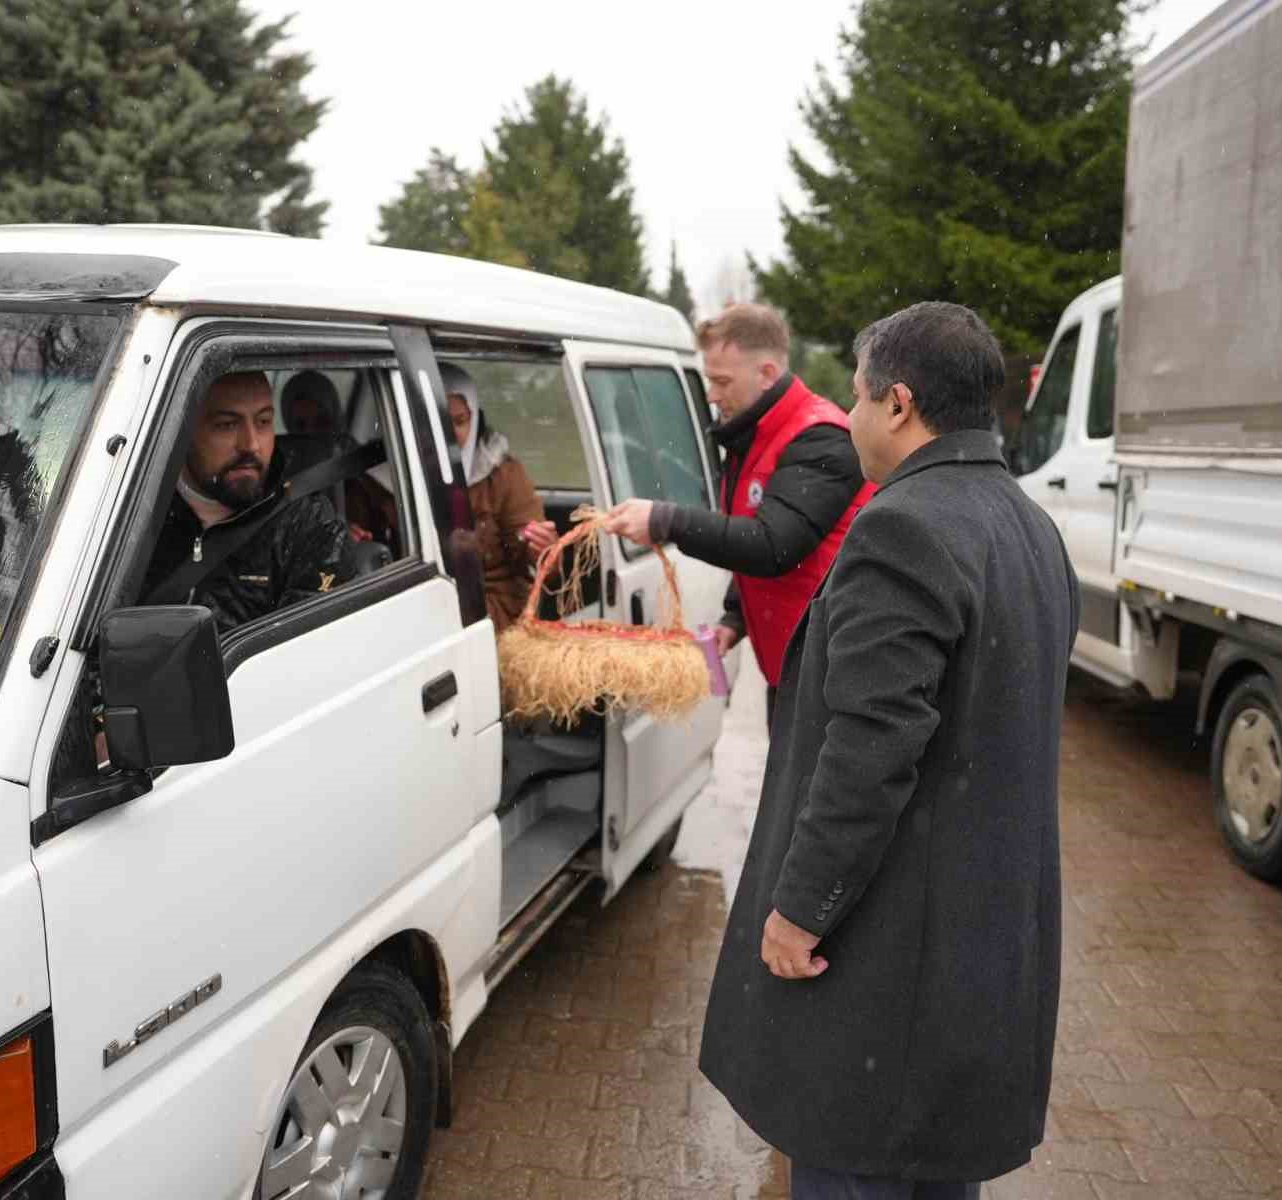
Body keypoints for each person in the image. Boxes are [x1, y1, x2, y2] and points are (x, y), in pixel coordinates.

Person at [697, 303, 1080, 1199]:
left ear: (899, 403)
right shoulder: (1027, 525)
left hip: (889, 963)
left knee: (858, 1164)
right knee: (935, 1172)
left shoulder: (903, 527)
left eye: (859, 399)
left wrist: (799, 911)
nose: (851, 417)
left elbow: (869, 750)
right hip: (979, 953)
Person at [606, 304, 873, 715]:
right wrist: (735, 618)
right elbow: (759, 528)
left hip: (829, 678)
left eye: (721, 381)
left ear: (766, 374)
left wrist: (666, 520)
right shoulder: (758, 435)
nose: (712, 395)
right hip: (792, 669)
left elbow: (773, 545)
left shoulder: (821, 440)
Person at [139, 370, 351, 633]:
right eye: (227, 425)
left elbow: (307, 656)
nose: (251, 445)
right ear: (183, 431)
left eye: (263, 421)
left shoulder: (309, 525)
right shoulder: (135, 511)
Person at [440, 362, 557, 631]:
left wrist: (544, 549)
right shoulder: (382, 479)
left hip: (493, 616)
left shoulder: (501, 474)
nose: (450, 433)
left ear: (475, 421)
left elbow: (538, 560)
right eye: (440, 422)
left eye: (460, 422)